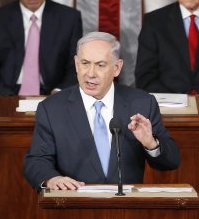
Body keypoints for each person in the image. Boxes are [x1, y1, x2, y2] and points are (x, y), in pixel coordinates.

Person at [23, 32, 180, 191]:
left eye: (100, 65)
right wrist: (51, 178)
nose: (90, 73)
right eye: (85, 63)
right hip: (74, 206)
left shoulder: (142, 103)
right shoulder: (52, 108)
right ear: (76, 64)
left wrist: (151, 143)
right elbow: (37, 159)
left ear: (117, 68)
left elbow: (171, 161)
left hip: (127, 208)